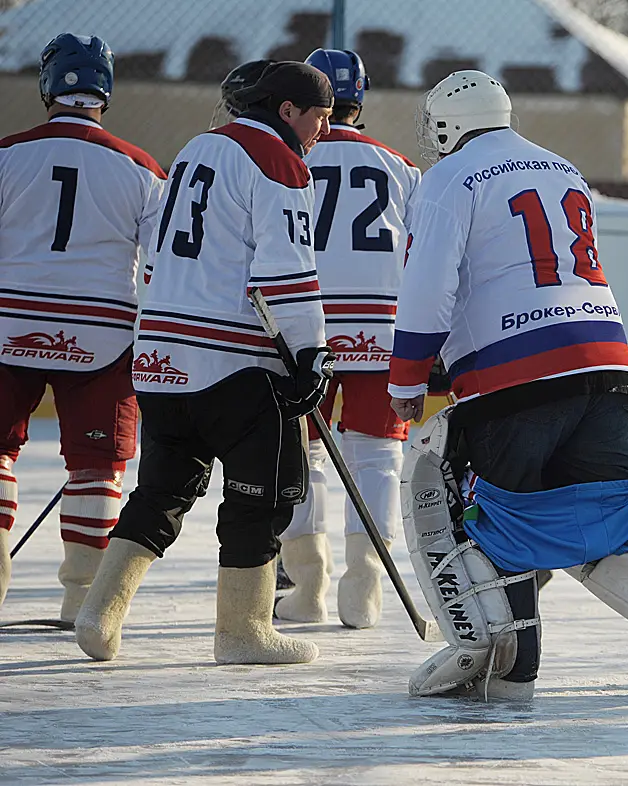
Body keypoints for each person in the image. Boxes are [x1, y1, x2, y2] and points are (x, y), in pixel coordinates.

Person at [390, 70, 628, 701]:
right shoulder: (562, 169)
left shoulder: (448, 179)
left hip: (514, 376)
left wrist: (407, 378)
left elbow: (428, 288)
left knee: (486, 521)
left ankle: (506, 672)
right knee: (618, 511)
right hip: (605, 364)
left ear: (444, 125)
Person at [73, 62, 336, 665]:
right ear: (288, 110)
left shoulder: (196, 147)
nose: (322, 129)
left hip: (160, 356)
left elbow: (155, 255)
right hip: (232, 361)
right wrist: (310, 351)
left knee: (161, 491)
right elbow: (286, 270)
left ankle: (99, 615)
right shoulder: (279, 161)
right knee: (264, 494)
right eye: (318, 116)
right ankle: (243, 631)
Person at [0, 33, 166, 621]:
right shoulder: (142, 167)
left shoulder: (6, 153)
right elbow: (160, 267)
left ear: (48, 85)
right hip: (104, 335)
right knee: (98, 469)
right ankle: (81, 605)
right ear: (106, 90)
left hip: (8, 325)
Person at [272, 48, 419, 629]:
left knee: (300, 455)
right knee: (378, 457)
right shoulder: (400, 165)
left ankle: (307, 587)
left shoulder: (283, 159)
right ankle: (365, 588)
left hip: (302, 332)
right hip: (381, 328)